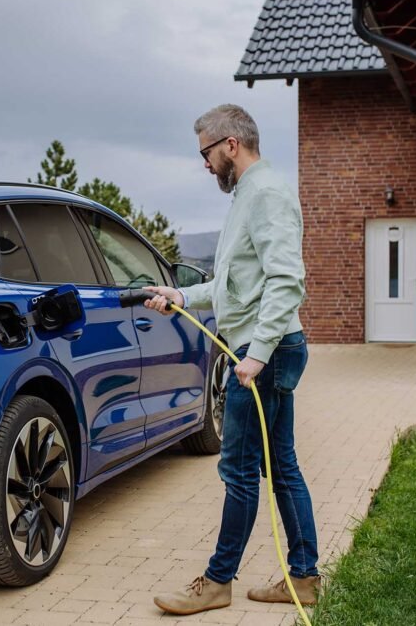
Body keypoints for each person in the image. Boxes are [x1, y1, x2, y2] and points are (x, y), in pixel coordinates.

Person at [146, 104, 320, 616]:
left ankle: (218, 582)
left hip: (266, 352)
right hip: (268, 348)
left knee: (238, 468)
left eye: (205, 152)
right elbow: (235, 284)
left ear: (230, 145)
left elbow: (288, 280)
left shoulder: (265, 194)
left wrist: (257, 356)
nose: (204, 165)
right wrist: (181, 296)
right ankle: (304, 577)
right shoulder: (248, 196)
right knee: (279, 465)